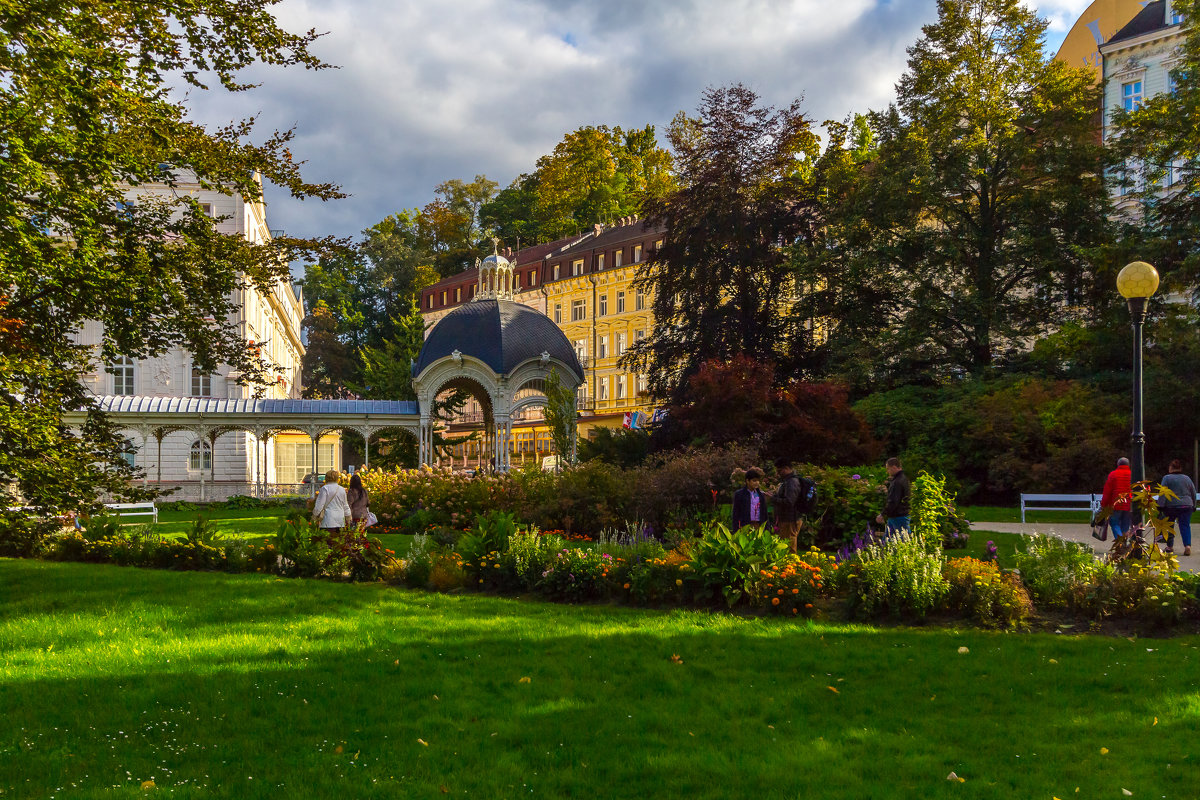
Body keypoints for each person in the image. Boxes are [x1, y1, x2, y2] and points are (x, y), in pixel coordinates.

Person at [1159, 459, 1195, 556]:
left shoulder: (1167, 478)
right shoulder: (1187, 478)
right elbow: (1193, 493)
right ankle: (1187, 546)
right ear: (1180, 468)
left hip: (1171, 506)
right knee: (1185, 526)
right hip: (1187, 505)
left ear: (1171, 468)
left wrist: (1161, 505)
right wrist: (1194, 505)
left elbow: (1163, 493)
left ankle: (1170, 546)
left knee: (1170, 526)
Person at [767, 458, 803, 553]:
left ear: (786, 468)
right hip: (786, 519)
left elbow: (789, 502)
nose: (778, 474)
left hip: (790, 519)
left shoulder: (792, 482)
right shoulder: (788, 481)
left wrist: (772, 499)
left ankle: (791, 566)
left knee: (789, 548)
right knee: (784, 546)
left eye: (779, 471)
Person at [1098, 457, 1133, 541]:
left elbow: (1107, 492)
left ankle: (1120, 542)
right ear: (1128, 465)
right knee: (1125, 525)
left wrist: (1103, 505)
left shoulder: (1113, 474)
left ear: (1118, 464)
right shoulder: (1132, 474)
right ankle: (1124, 542)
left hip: (1115, 504)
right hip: (1129, 504)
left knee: (1114, 523)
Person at [875, 457, 911, 536]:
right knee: (889, 542)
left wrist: (882, 514)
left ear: (894, 467)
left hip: (898, 516)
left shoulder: (897, 482)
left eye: (888, 469)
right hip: (902, 515)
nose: (887, 471)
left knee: (902, 541)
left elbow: (893, 501)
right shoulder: (904, 478)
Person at [312, 469, 352, 534]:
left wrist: (314, 515)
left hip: (328, 519)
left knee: (327, 541)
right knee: (337, 541)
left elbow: (319, 505)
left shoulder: (325, 489)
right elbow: (345, 505)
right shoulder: (342, 489)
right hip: (340, 520)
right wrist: (348, 516)